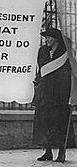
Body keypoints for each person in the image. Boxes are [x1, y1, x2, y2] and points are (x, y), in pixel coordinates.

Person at [32, 28, 75, 163]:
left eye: (49, 37)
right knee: (44, 124)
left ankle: (61, 153)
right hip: (44, 93)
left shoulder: (66, 53)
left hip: (59, 95)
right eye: (46, 38)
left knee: (60, 124)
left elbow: (70, 73)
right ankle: (48, 151)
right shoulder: (42, 51)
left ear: (56, 39)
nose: (47, 40)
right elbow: (40, 69)